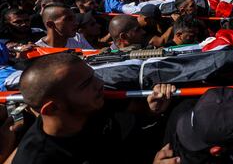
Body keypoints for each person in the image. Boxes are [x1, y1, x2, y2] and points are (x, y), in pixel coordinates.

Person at [13, 53, 179, 164]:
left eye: (93, 76)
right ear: (52, 109)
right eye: (86, 84)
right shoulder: (38, 159)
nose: (100, 84)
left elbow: (140, 111)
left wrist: (152, 108)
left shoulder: (94, 102)